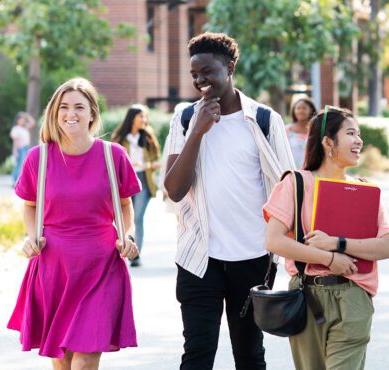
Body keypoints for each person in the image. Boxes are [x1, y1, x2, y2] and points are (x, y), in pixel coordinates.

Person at [163, 32, 294, 370]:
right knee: (197, 356)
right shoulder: (186, 119)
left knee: (249, 354)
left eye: (207, 72)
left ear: (230, 67)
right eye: (194, 74)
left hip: (253, 257)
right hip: (198, 258)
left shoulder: (265, 120)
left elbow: (288, 191)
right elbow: (174, 190)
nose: (199, 81)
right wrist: (198, 131)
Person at [9, 77, 141, 369]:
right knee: (63, 363)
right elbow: (29, 207)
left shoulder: (113, 155)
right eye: (64, 107)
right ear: (55, 113)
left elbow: (125, 205)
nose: (72, 114)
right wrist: (32, 237)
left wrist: (127, 235)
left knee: (84, 361)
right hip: (54, 270)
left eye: (79, 107)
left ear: (92, 113)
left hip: (101, 267)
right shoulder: (38, 158)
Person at [264, 107, 389, 370]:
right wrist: (329, 258)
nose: (359, 140)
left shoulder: (365, 189)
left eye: (359, 134)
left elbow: (386, 247)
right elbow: (274, 241)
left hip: (354, 298)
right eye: (350, 133)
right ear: (327, 142)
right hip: (306, 296)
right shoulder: (295, 184)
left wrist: (337, 242)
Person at [111, 104, 161, 267]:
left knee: (138, 218)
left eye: (146, 117)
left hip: (143, 180)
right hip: (123, 181)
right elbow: (110, 161)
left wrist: (144, 164)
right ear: (132, 118)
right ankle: (124, 246)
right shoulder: (119, 138)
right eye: (142, 117)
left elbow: (156, 161)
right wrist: (129, 164)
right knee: (123, 217)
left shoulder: (148, 137)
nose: (144, 120)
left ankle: (135, 254)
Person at [286, 97, 317, 168]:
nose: (300, 111)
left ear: (311, 110)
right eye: (298, 108)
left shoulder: (316, 131)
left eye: (304, 108)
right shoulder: (286, 130)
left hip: (311, 171)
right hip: (290, 172)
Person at [10, 112, 35, 185]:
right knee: (19, 165)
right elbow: (15, 141)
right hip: (20, 149)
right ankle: (15, 181)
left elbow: (33, 123)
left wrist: (27, 116)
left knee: (22, 165)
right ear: (18, 120)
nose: (23, 120)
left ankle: (17, 181)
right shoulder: (16, 128)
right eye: (21, 119)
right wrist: (15, 151)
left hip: (25, 148)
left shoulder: (25, 127)